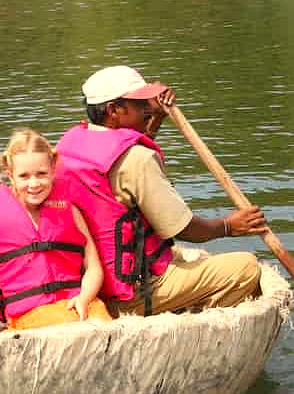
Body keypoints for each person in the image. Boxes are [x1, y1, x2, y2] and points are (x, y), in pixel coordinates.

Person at [55, 65, 267, 318]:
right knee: (247, 268)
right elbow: (182, 228)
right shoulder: (137, 159)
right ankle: (185, 322)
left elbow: (128, 153)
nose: (147, 107)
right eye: (139, 103)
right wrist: (228, 227)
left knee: (174, 254)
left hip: (92, 282)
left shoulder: (70, 145)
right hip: (133, 291)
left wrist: (156, 115)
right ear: (113, 110)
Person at [0, 129, 111, 332]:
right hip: (30, 313)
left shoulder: (70, 212)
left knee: (102, 324)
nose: (34, 184)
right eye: (24, 176)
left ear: (53, 169)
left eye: (41, 174)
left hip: (78, 304)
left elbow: (94, 269)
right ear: (10, 176)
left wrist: (84, 298)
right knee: (72, 328)